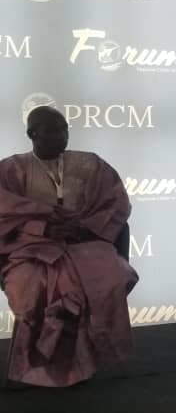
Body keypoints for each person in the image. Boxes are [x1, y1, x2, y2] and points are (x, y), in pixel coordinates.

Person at [0, 106, 137, 388]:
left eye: (65, 129)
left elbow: (116, 203)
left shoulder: (91, 164)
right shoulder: (10, 170)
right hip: (32, 248)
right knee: (31, 284)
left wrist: (86, 227)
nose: (63, 135)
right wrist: (42, 228)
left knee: (110, 275)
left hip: (84, 241)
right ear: (32, 134)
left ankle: (85, 360)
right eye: (54, 130)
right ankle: (40, 363)